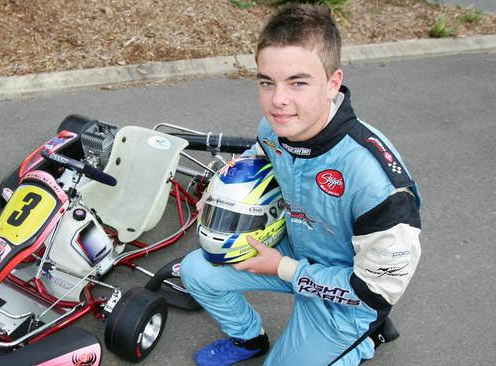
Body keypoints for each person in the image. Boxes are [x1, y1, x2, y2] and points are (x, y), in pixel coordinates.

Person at [180, 3, 422, 365]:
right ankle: (249, 340)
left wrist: (284, 269)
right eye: (267, 82)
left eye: (298, 82)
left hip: (347, 293)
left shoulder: (379, 184)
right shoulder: (275, 130)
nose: (278, 101)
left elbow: (375, 291)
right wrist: (220, 190)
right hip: (291, 249)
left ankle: (361, 339)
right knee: (196, 271)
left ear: (332, 83)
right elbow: (258, 156)